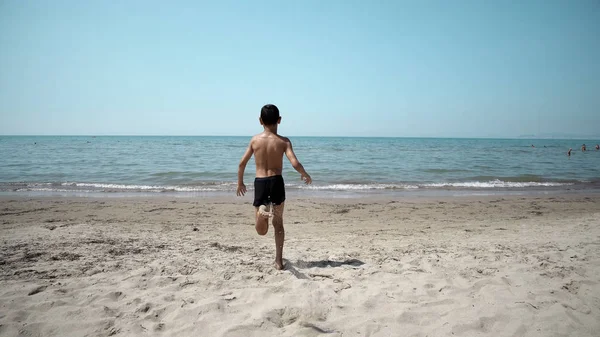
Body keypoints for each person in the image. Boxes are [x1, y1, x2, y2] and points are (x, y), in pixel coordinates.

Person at [236, 104, 312, 270]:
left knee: (261, 231)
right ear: (279, 120)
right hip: (276, 182)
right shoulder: (284, 141)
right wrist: (305, 174)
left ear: (260, 121)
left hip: (261, 182)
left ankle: (262, 213)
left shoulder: (255, 140)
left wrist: (240, 182)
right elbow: (295, 162)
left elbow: (242, 163)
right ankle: (278, 260)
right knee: (278, 224)